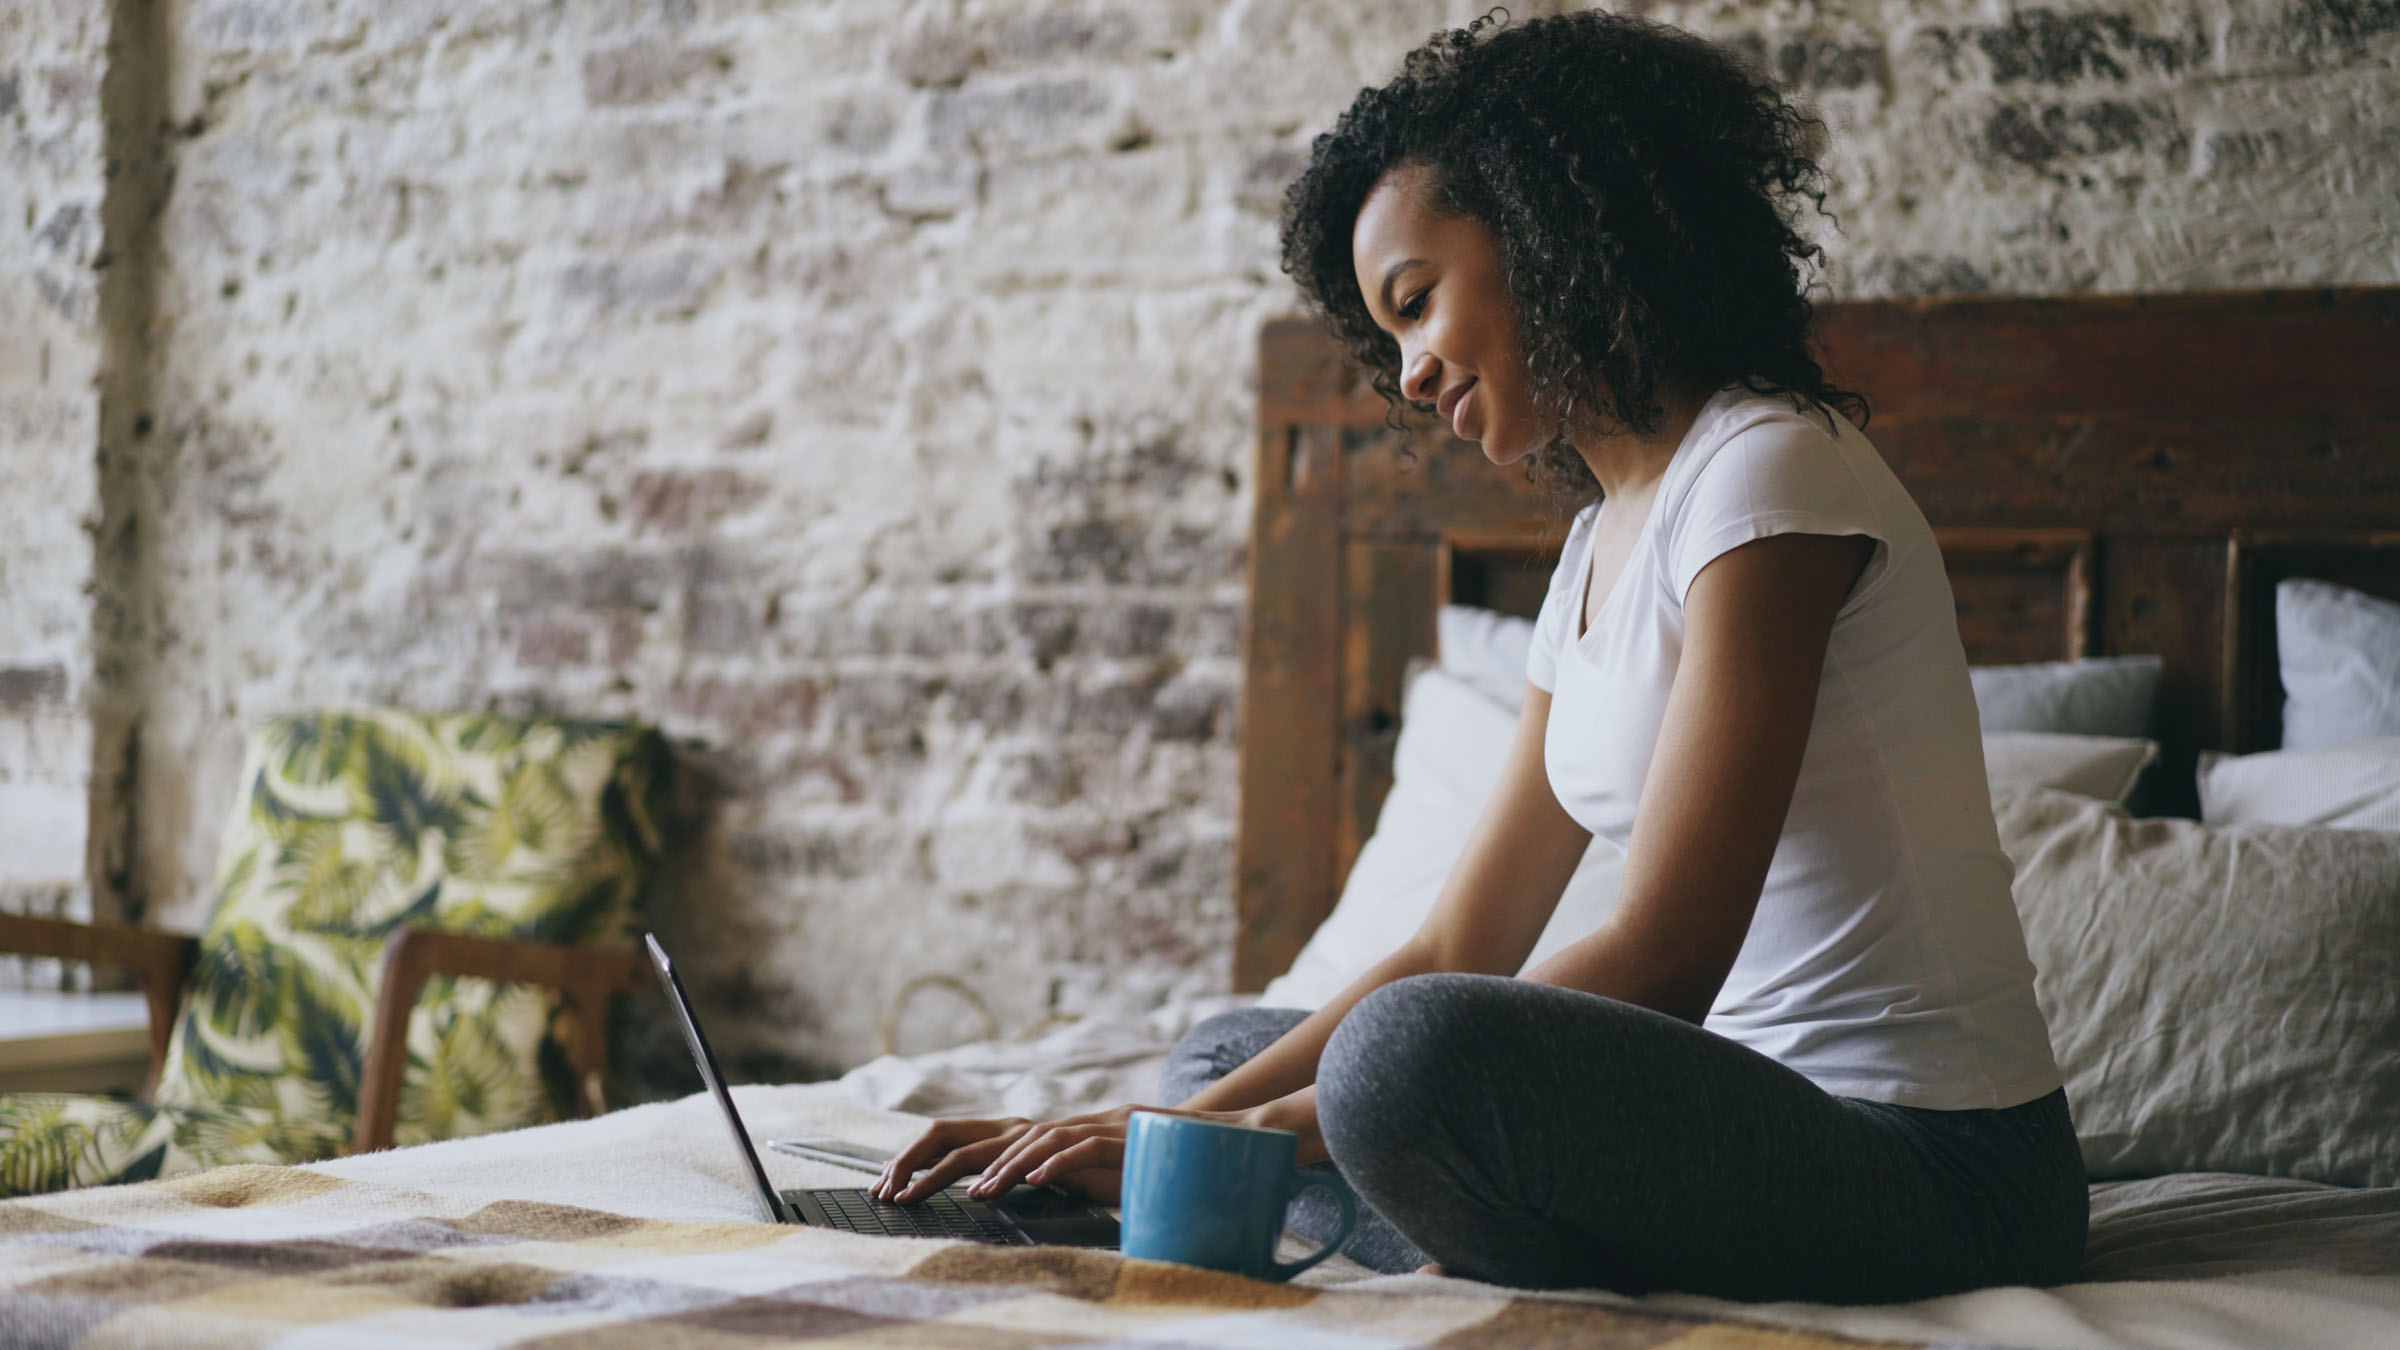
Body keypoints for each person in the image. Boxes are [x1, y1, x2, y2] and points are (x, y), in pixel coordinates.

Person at [872, 10, 2088, 1302]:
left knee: (1397, 1062)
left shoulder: (1767, 471)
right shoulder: (1594, 546)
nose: (1404, 373)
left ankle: (1434, 1209)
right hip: (1730, 1133)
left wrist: (1231, 1138)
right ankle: (1448, 1214)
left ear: (1550, 234)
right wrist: (1172, 1127)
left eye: (1416, 302)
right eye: (1383, 335)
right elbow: (1465, 927)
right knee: (1231, 1047)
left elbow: (1668, 953)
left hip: (1936, 1167)